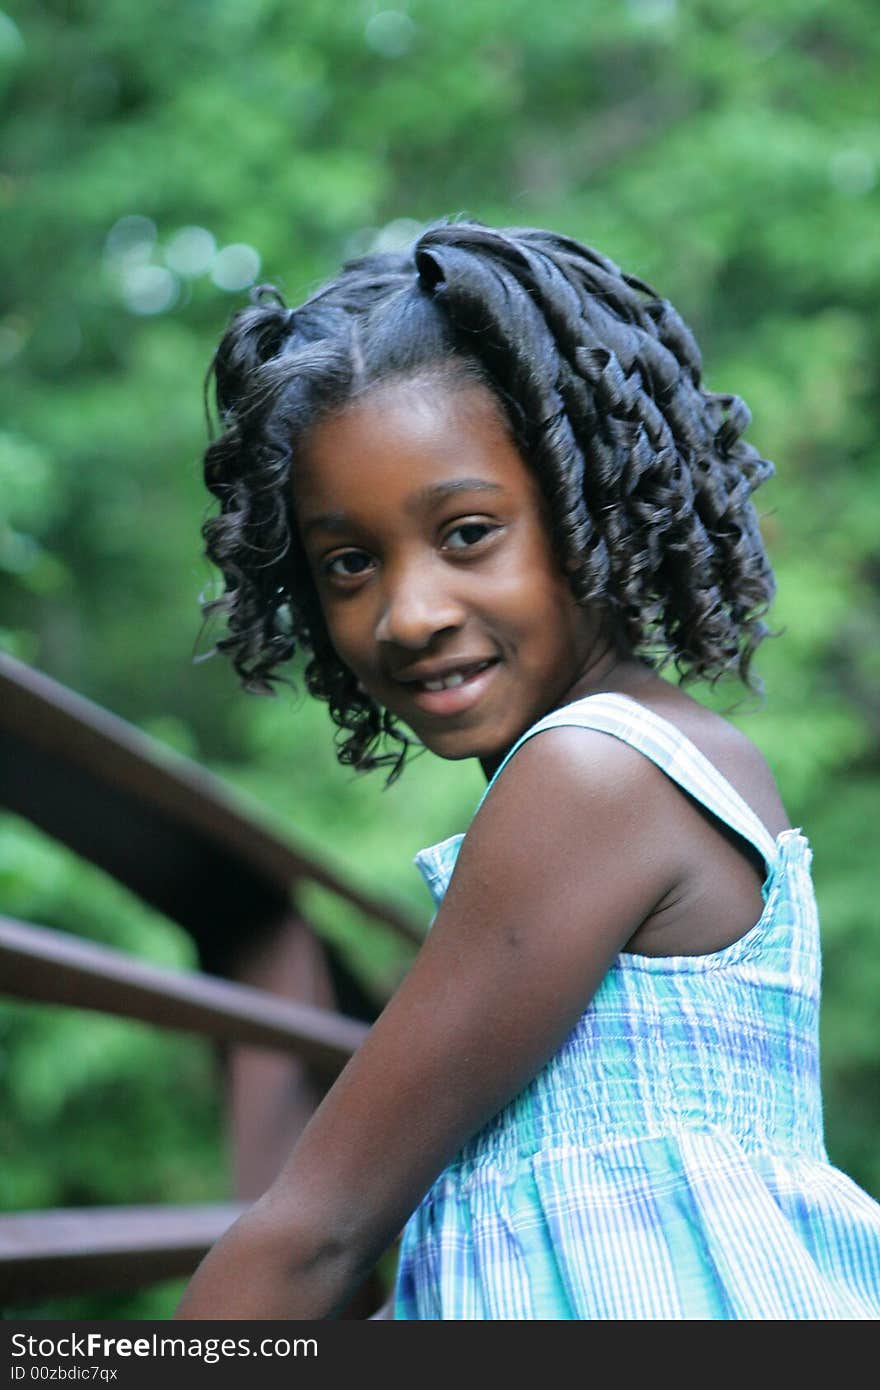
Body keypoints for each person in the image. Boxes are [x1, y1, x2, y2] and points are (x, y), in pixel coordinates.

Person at [175, 220, 880, 1320]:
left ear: (587, 510)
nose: (408, 615)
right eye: (348, 562)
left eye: (465, 533)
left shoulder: (590, 775)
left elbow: (317, 1231)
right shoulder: (673, 750)